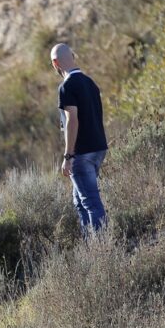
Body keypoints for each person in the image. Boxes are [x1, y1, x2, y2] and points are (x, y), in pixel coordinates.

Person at [50, 43, 108, 232]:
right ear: (73, 57)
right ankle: (89, 244)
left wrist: (68, 156)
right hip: (98, 148)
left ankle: (101, 249)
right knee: (79, 201)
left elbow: (71, 120)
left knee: (90, 202)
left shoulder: (67, 86)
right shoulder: (90, 82)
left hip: (81, 153)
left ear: (55, 63)